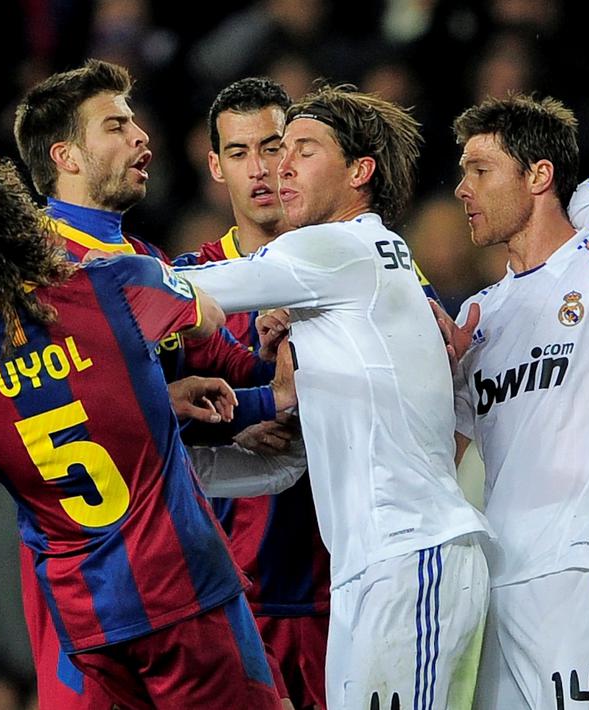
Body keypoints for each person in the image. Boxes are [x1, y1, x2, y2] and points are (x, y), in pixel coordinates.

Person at [0, 145, 284, 709]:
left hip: (86, 615)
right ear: (26, 223)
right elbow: (208, 315)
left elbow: (40, 416)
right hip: (178, 586)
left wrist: (155, 397)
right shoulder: (113, 282)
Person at [175, 84, 492, 710]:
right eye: (274, 151)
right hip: (378, 568)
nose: (278, 167)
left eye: (301, 150)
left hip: (408, 559)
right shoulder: (355, 275)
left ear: (358, 171)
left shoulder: (331, 247)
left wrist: (78, 277)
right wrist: (178, 464)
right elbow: (291, 462)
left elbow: (185, 288)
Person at [12, 59, 295, 709]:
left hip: (176, 563)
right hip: (86, 579)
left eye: (136, 121)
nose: (142, 136)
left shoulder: (146, 264)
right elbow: (29, 419)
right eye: (116, 125)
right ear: (67, 157)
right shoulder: (35, 277)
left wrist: (271, 373)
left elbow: (220, 374)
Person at [436, 94, 589, 709]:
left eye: (480, 170)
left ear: (539, 176)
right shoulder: (480, 316)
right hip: (498, 581)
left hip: (585, 572)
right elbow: (438, 457)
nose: (462, 189)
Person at [185, 76, 332, 710]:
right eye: (239, 153)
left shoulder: (353, 263)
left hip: (339, 581)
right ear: (216, 165)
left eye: (273, 147)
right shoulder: (187, 288)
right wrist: (239, 421)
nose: (261, 170)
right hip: (234, 589)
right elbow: (148, 409)